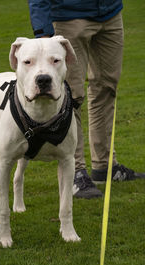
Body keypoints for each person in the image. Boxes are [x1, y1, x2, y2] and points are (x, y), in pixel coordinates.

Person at [28, 0, 145, 199]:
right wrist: (43, 35)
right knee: (71, 97)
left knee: (106, 89)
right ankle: (76, 173)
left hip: (111, 13)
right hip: (69, 17)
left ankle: (105, 166)